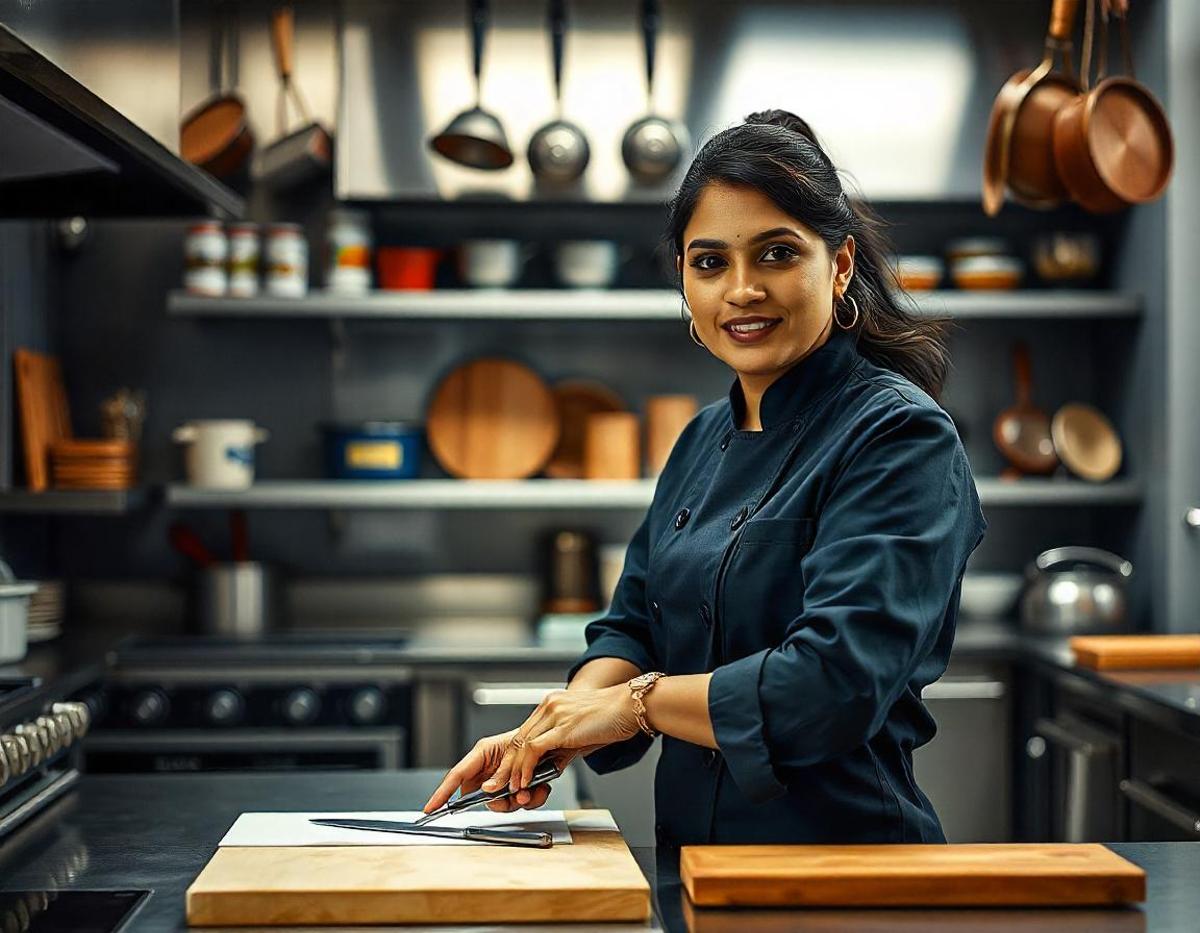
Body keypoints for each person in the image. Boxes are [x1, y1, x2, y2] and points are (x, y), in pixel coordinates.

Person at [423, 109, 988, 846]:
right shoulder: (700, 439)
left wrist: (635, 704)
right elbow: (634, 625)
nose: (741, 289)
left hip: (847, 872)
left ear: (840, 264)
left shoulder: (897, 436)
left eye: (778, 254)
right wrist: (556, 725)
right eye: (711, 261)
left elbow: (833, 682)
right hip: (695, 869)